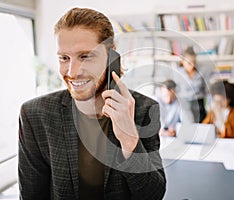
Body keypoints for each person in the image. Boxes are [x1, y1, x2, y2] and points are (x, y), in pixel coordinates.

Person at [18, 7, 166, 200]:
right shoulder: (35, 115)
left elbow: (153, 196)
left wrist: (130, 142)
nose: (73, 71)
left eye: (85, 56)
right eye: (64, 58)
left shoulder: (144, 110)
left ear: (111, 56)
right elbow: (31, 196)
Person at [175, 46, 207, 123]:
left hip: (199, 104)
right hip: (184, 104)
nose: (192, 65)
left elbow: (206, 90)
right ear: (182, 61)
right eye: (189, 62)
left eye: (194, 62)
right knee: (187, 127)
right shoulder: (177, 73)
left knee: (200, 127)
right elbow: (176, 91)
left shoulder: (201, 73)